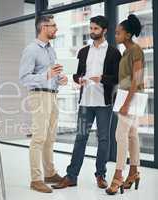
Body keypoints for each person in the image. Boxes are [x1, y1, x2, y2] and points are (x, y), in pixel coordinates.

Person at [51, 16, 121, 190]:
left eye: (96, 29)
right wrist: (79, 79)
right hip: (85, 102)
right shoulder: (83, 51)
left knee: (104, 139)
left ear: (104, 31)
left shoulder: (113, 52)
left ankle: (100, 175)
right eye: (91, 28)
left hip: (104, 103)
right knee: (80, 138)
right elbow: (76, 74)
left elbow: (118, 77)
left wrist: (102, 79)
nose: (92, 31)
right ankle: (71, 176)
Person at [19, 14, 68, 193]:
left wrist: (59, 80)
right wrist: (46, 76)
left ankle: (49, 173)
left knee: (50, 138)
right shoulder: (31, 50)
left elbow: (52, 74)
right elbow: (24, 78)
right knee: (39, 138)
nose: (56, 28)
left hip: (52, 95)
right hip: (39, 96)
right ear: (43, 27)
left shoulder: (50, 50)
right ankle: (36, 179)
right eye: (53, 25)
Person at [106, 14, 144, 195]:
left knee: (120, 135)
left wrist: (127, 103)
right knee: (131, 135)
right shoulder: (126, 52)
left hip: (131, 95)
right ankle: (134, 172)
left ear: (127, 35)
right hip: (126, 94)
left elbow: (137, 79)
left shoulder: (136, 50)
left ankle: (118, 175)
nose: (116, 35)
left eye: (118, 33)